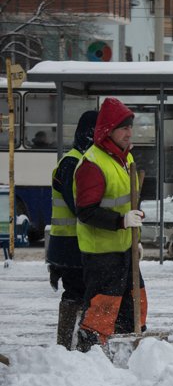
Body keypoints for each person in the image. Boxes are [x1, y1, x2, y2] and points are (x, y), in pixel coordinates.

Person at [72, 97, 147, 352]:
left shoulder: (124, 159)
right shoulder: (93, 164)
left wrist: (134, 237)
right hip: (102, 255)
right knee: (102, 310)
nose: (129, 133)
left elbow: (128, 203)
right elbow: (86, 212)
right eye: (123, 128)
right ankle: (90, 354)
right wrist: (121, 221)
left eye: (130, 127)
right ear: (108, 131)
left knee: (134, 304)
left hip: (124, 250)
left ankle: (127, 354)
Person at [47, 111, 98, 349]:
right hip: (69, 246)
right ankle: (66, 346)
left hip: (77, 243)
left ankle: (74, 345)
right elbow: (79, 205)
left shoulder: (84, 159)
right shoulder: (72, 162)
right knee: (75, 293)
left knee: (81, 293)